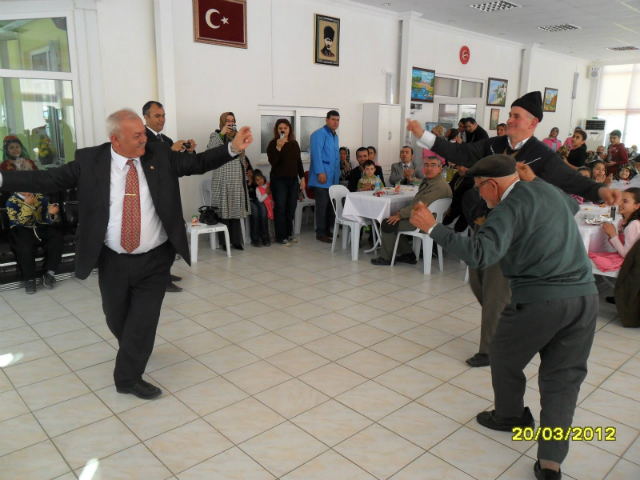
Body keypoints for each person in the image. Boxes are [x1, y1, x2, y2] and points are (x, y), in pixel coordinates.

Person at [0, 109, 252, 399]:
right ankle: (134, 346)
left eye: (144, 133)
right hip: (112, 258)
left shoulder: (159, 155)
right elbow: (46, 180)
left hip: (155, 257)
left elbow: (198, 162)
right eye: (137, 135)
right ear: (115, 139)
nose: (145, 138)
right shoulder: (89, 161)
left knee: (143, 319)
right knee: (115, 316)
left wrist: (233, 148)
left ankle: (128, 378)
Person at [410, 155, 598, 480]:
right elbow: (571, 208)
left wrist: (433, 228)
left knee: (503, 357)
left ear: (492, 184)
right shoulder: (548, 190)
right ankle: (551, 463)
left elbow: (481, 254)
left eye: (481, 190)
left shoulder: (507, 209)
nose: (481, 197)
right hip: (585, 298)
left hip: (539, 300)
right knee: (562, 382)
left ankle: (511, 416)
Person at [406, 91, 620, 369]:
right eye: (510, 114)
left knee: (496, 290)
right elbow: (460, 152)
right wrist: (423, 135)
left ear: (533, 123)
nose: (510, 120)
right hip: (485, 223)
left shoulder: (541, 155)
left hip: (515, 233)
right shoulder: (493, 145)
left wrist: (600, 189)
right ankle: (511, 325)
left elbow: (571, 181)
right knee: (479, 283)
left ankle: (491, 350)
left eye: (516, 116)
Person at [143, 101, 196, 293]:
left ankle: (165, 272)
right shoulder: (142, 138)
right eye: (157, 116)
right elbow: (147, 162)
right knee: (159, 240)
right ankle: (160, 279)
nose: (162, 119)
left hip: (169, 195)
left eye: (163, 115)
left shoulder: (164, 139)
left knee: (172, 235)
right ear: (146, 117)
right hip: (153, 198)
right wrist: (169, 151)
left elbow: (178, 167)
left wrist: (188, 152)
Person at [370, 156, 451, 266]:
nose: (429, 168)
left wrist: (400, 215)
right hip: (427, 218)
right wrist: (400, 214)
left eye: (433, 165)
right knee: (393, 219)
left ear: (440, 169)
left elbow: (420, 205)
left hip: (426, 222)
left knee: (388, 223)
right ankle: (408, 255)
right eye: (426, 165)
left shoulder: (438, 185)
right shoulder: (432, 181)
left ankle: (385, 258)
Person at [207, 112, 251, 250]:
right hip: (222, 178)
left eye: (233, 120)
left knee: (235, 209)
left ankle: (236, 241)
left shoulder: (238, 137)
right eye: (228, 120)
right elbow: (210, 150)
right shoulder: (215, 135)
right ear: (222, 122)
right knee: (224, 210)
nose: (231, 123)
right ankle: (224, 242)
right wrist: (222, 134)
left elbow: (242, 158)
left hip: (236, 178)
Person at [6, 192, 63, 294]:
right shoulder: (12, 201)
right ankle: (30, 280)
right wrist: (27, 205)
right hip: (21, 230)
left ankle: (50, 273)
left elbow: (46, 217)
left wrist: (50, 213)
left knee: (56, 238)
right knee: (25, 249)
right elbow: (18, 222)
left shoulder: (39, 196)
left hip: (40, 228)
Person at [267, 119, 305, 246]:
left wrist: (303, 178)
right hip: (279, 180)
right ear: (277, 130)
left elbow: (298, 162)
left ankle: (289, 234)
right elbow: (273, 162)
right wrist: (278, 147)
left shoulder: (294, 144)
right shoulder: (273, 144)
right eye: (280, 128)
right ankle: (280, 236)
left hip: (293, 180)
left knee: (291, 208)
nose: (283, 130)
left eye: (285, 127)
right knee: (281, 208)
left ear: (289, 129)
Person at [309, 110, 340, 243]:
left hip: (332, 178)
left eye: (338, 120)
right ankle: (320, 232)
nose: (335, 122)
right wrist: (320, 172)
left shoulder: (335, 136)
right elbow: (316, 155)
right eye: (333, 119)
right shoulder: (318, 134)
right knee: (322, 205)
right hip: (321, 177)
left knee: (330, 206)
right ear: (326, 120)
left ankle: (327, 229)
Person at [442, 164, 475, 232]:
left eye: (465, 166)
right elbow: (449, 189)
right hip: (450, 207)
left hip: (461, 213)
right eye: (459, 165)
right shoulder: (457, 175)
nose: (461, 168)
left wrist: (450, 211)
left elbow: (465, 203)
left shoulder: (472, 180)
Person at [247, 169, 271, 248]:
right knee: (255, 211)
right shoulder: (242, 175)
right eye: (257, 180)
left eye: (261, 178)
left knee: (263, 210)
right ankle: (255, 238)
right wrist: (250, 179)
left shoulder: (254, 173)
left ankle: (265, 237)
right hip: (250, 200)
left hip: (258, 199)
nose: (260, 181)